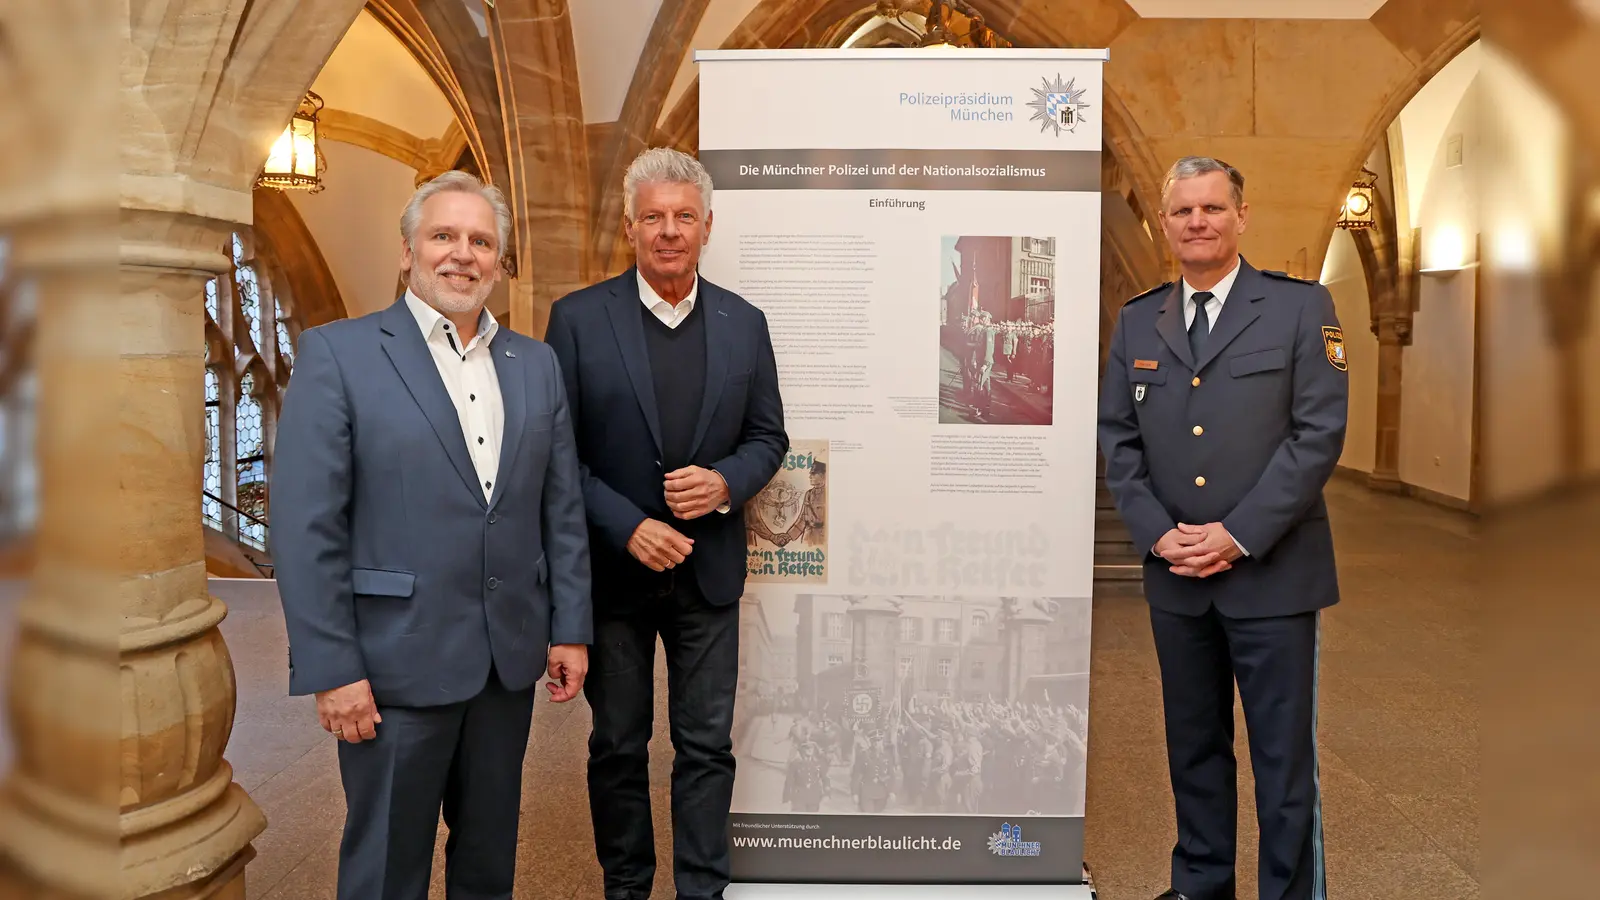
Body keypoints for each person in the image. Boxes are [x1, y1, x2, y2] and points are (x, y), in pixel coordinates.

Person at [271, 170, 592, 900]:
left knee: (488, 867)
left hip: (503, 666)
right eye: (443, 236)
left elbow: (560, 508)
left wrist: (569, 627)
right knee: (388, 868)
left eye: (481, 241)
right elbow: (306, 527)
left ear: (500, 262)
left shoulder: (535, 364)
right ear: (407, 253)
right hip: (391, 670)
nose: (462, 254)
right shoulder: (340, 355)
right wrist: (332, 668)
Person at [1097, 156, 1349, 900]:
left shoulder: (1302, 308)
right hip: (1176, 577)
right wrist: (1155, 532)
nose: (1198, 222)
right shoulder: (1140, 318)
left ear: (1241, 216)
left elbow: (1318, 436)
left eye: (1212, 208)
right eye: (1183, 212)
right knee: (1194, 749)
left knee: (1282, 758)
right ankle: (1201, 883)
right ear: (1165, 224)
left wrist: (1235, 534)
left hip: (1272, 575)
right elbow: (1118, 438)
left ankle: (1289, 891)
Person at [545, 146, 787, 900]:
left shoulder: (745, 324)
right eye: (654, 217)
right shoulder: (578, 321)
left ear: (708, 225)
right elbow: (558, 456)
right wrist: (627, 525)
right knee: (617, 745)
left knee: (706, 749)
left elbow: (768, 439)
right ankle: (627, 887)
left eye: (684, 216)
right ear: (630, 227)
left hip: (708, 575)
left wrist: (723, 484)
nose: (670, 231)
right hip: (614, 580)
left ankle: (702, 892)